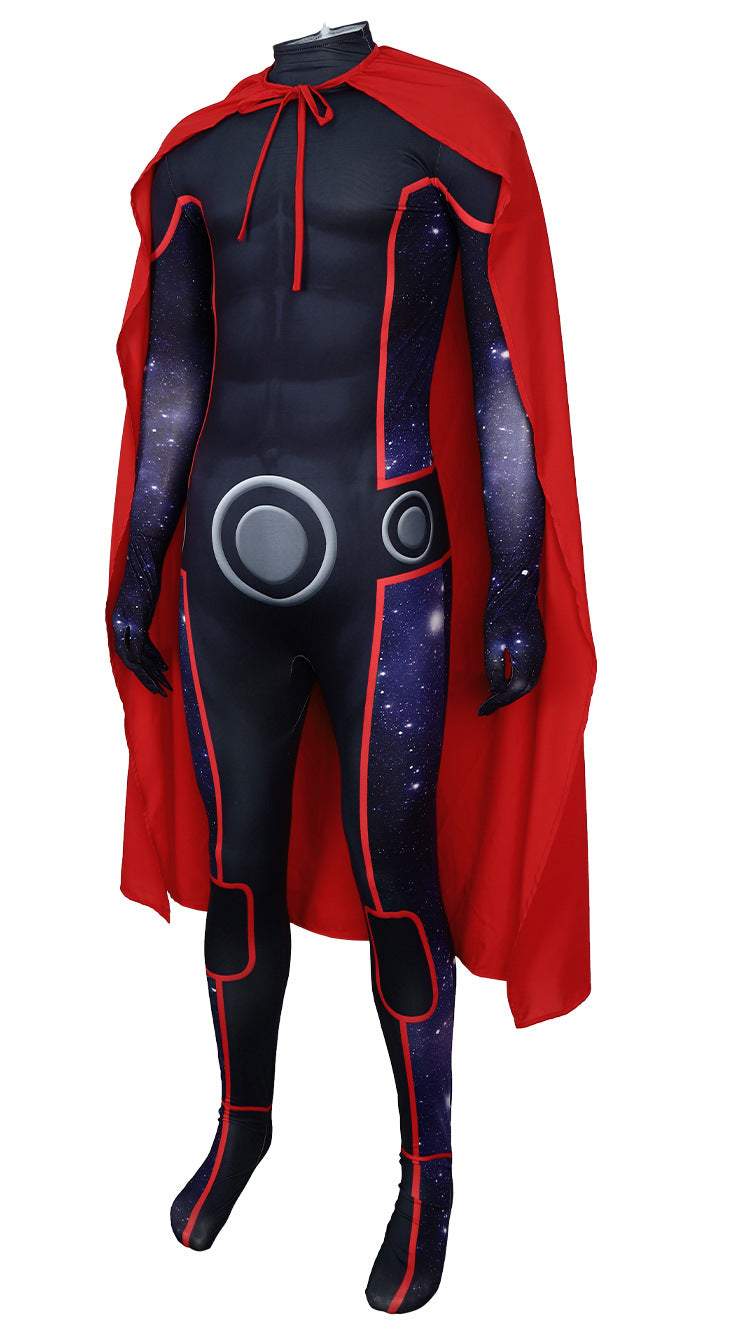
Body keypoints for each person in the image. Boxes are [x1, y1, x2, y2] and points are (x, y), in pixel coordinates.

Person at [108, 19, 593, 1314]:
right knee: (237, 869)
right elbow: (174, 374)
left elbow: (502, 368)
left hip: (384, 565)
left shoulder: (448, 134)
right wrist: (138, 566)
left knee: (398, 879)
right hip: (225, 572)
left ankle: (428, 1176)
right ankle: (242, 1125)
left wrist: (515, 579)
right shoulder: (198, 158)